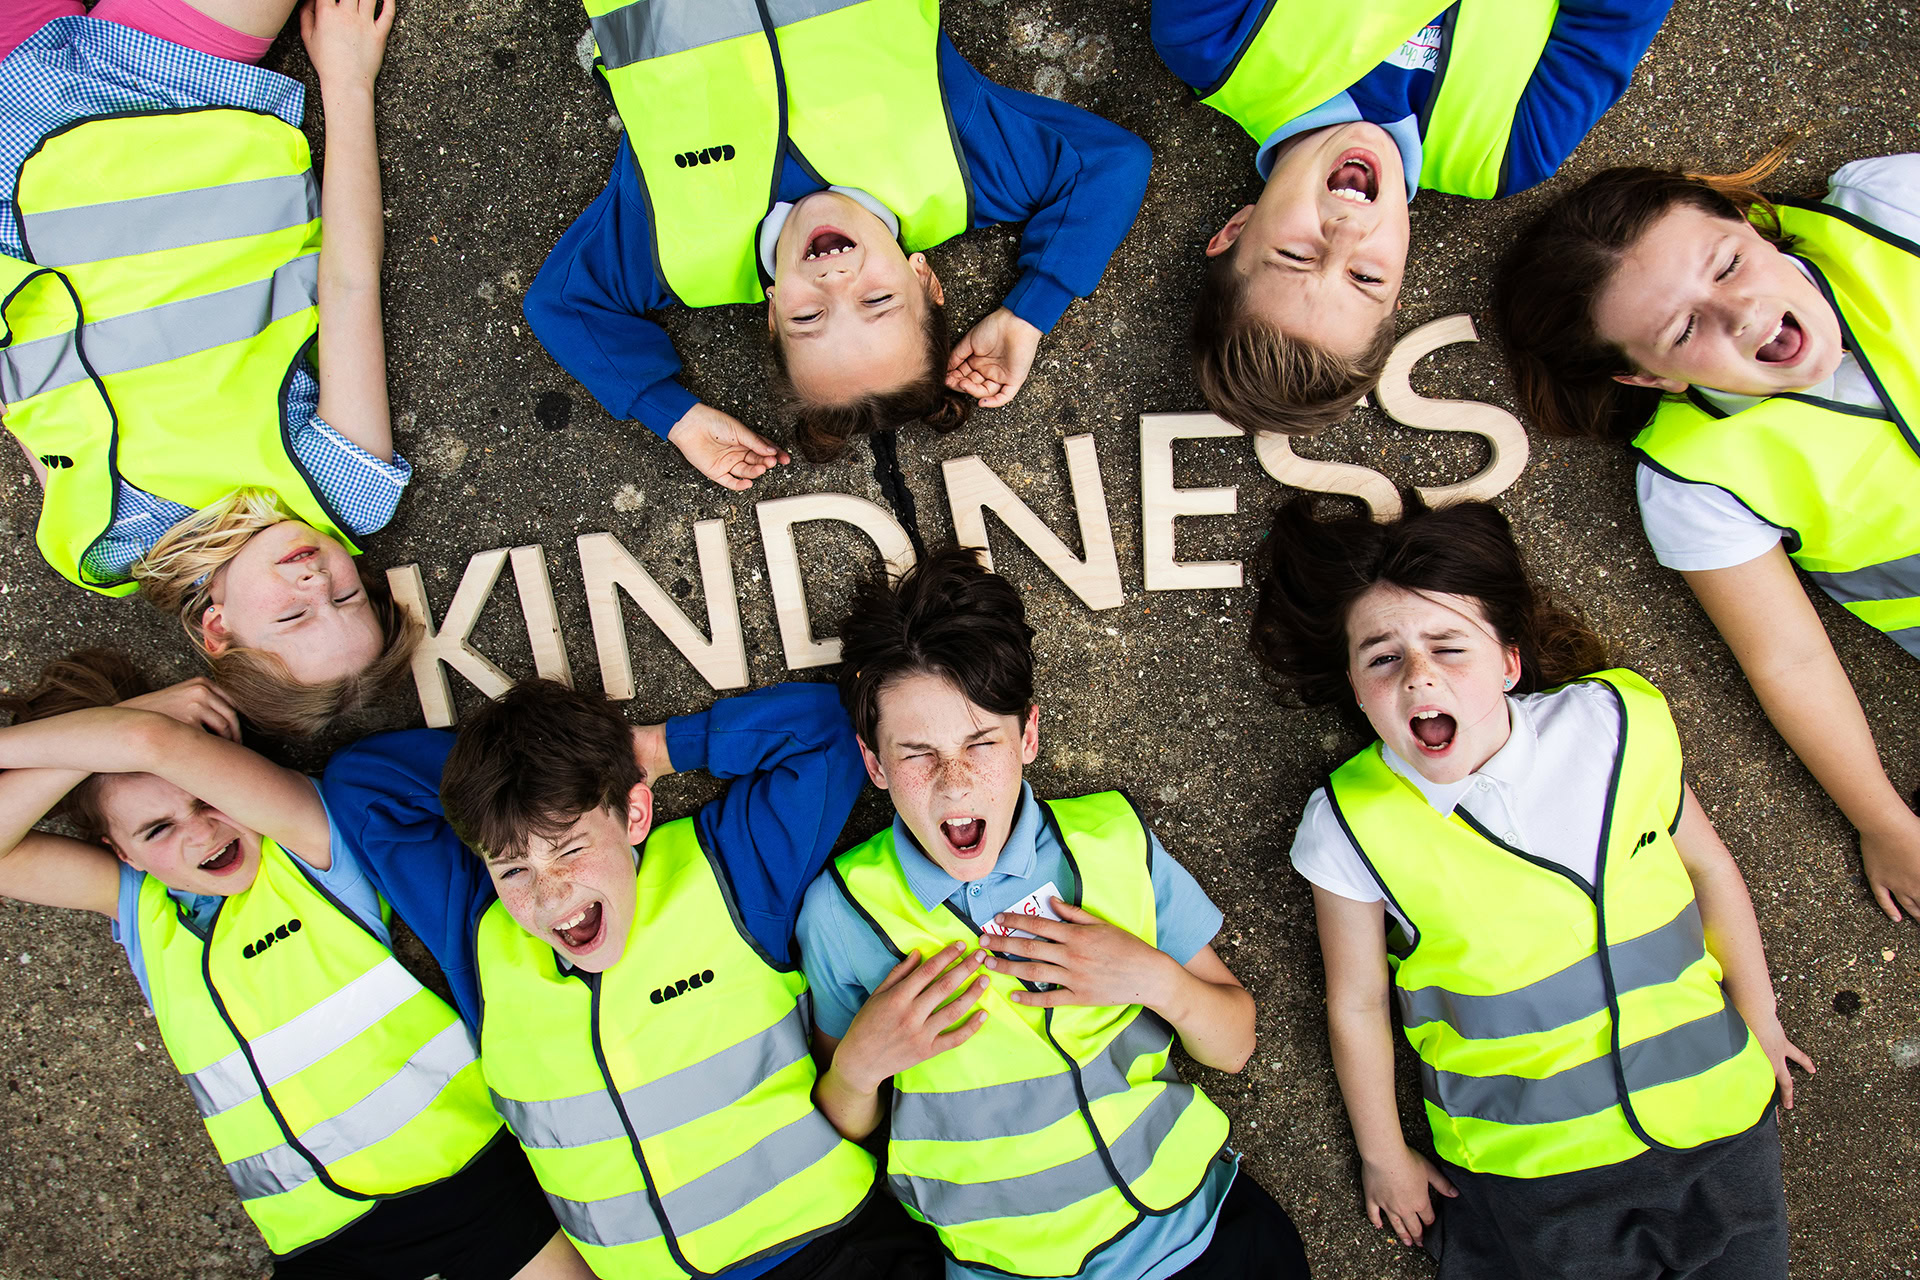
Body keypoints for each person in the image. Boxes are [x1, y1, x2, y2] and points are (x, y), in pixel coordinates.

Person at [1252, 495, 1810, 1278]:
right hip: (1534, 1169)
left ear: (1509, 662)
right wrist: (1385, 1154)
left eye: (1450, 647)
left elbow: (1708, 866)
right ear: (1352, 682)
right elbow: (1355, 1000)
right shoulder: (1347, 822)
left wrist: (1759, 1021)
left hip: (1720, 1122)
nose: (1418, 676)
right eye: (1381, 657)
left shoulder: (1620, 722)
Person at [797, 547, 1311, 1280]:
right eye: (917, 753)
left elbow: (1233, 1044)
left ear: (1028, 736)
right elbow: (844, 1129)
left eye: (983, 742)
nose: (957, 782)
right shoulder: (841, 913)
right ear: (875, 766)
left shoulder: (1111, 840)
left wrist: (1153, 979)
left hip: (1205, 1237)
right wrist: (858, 1065)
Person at [319, 677, 944, 1280]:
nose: (549, 894)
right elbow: (359, 785)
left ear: (635, 814)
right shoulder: (477, 931)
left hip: (827, 1254)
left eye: (568, 847)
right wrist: (516, 780)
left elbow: (831, 731)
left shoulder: (729, 869)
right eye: (513, 870)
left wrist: (644, 752)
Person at [0, 652, 591, 1279]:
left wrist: (135, 732)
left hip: (467, 1181)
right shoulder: (142, 914)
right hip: (316, 1240)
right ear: (121, 853)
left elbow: (156, 744)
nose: (199, 834)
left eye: (207, 799)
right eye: (156, 830)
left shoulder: (305, 847)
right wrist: (113, 731)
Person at [1494, 152, 1920, 926]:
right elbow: (1788, 658)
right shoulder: (1692, 482)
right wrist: (1884, 821)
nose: (1742, 314)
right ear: (1649, 378)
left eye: (1727, 264)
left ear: (1749, 224)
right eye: (1684, 329)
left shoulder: (1889, 212)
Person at [0, 0, 418, 736]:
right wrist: (348, 84)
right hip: (177, 92)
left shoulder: (107, 544)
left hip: (13, 165)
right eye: (348, 598)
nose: (317, 580)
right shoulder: (344, 490)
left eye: (294, 614)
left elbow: (26, 389)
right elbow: (351, 282)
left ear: (218, 631)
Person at [524, 1, 1151, 483]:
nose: (835, 281)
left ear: (771, 316)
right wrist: (1027, 314)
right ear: (925, 280)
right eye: (878, 301)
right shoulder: (965, 168)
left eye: (807, 317)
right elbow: (1109, 164)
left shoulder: (675, 246)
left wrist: (676, 417)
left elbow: (564, 304)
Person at [1150, 0, 1670, 435]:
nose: (1346, 232)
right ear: (1399, 285)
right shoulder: (1507, 151)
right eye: (1364, 277)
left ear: (1236, 229)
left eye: (1297, 255)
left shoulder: (1212, 42)